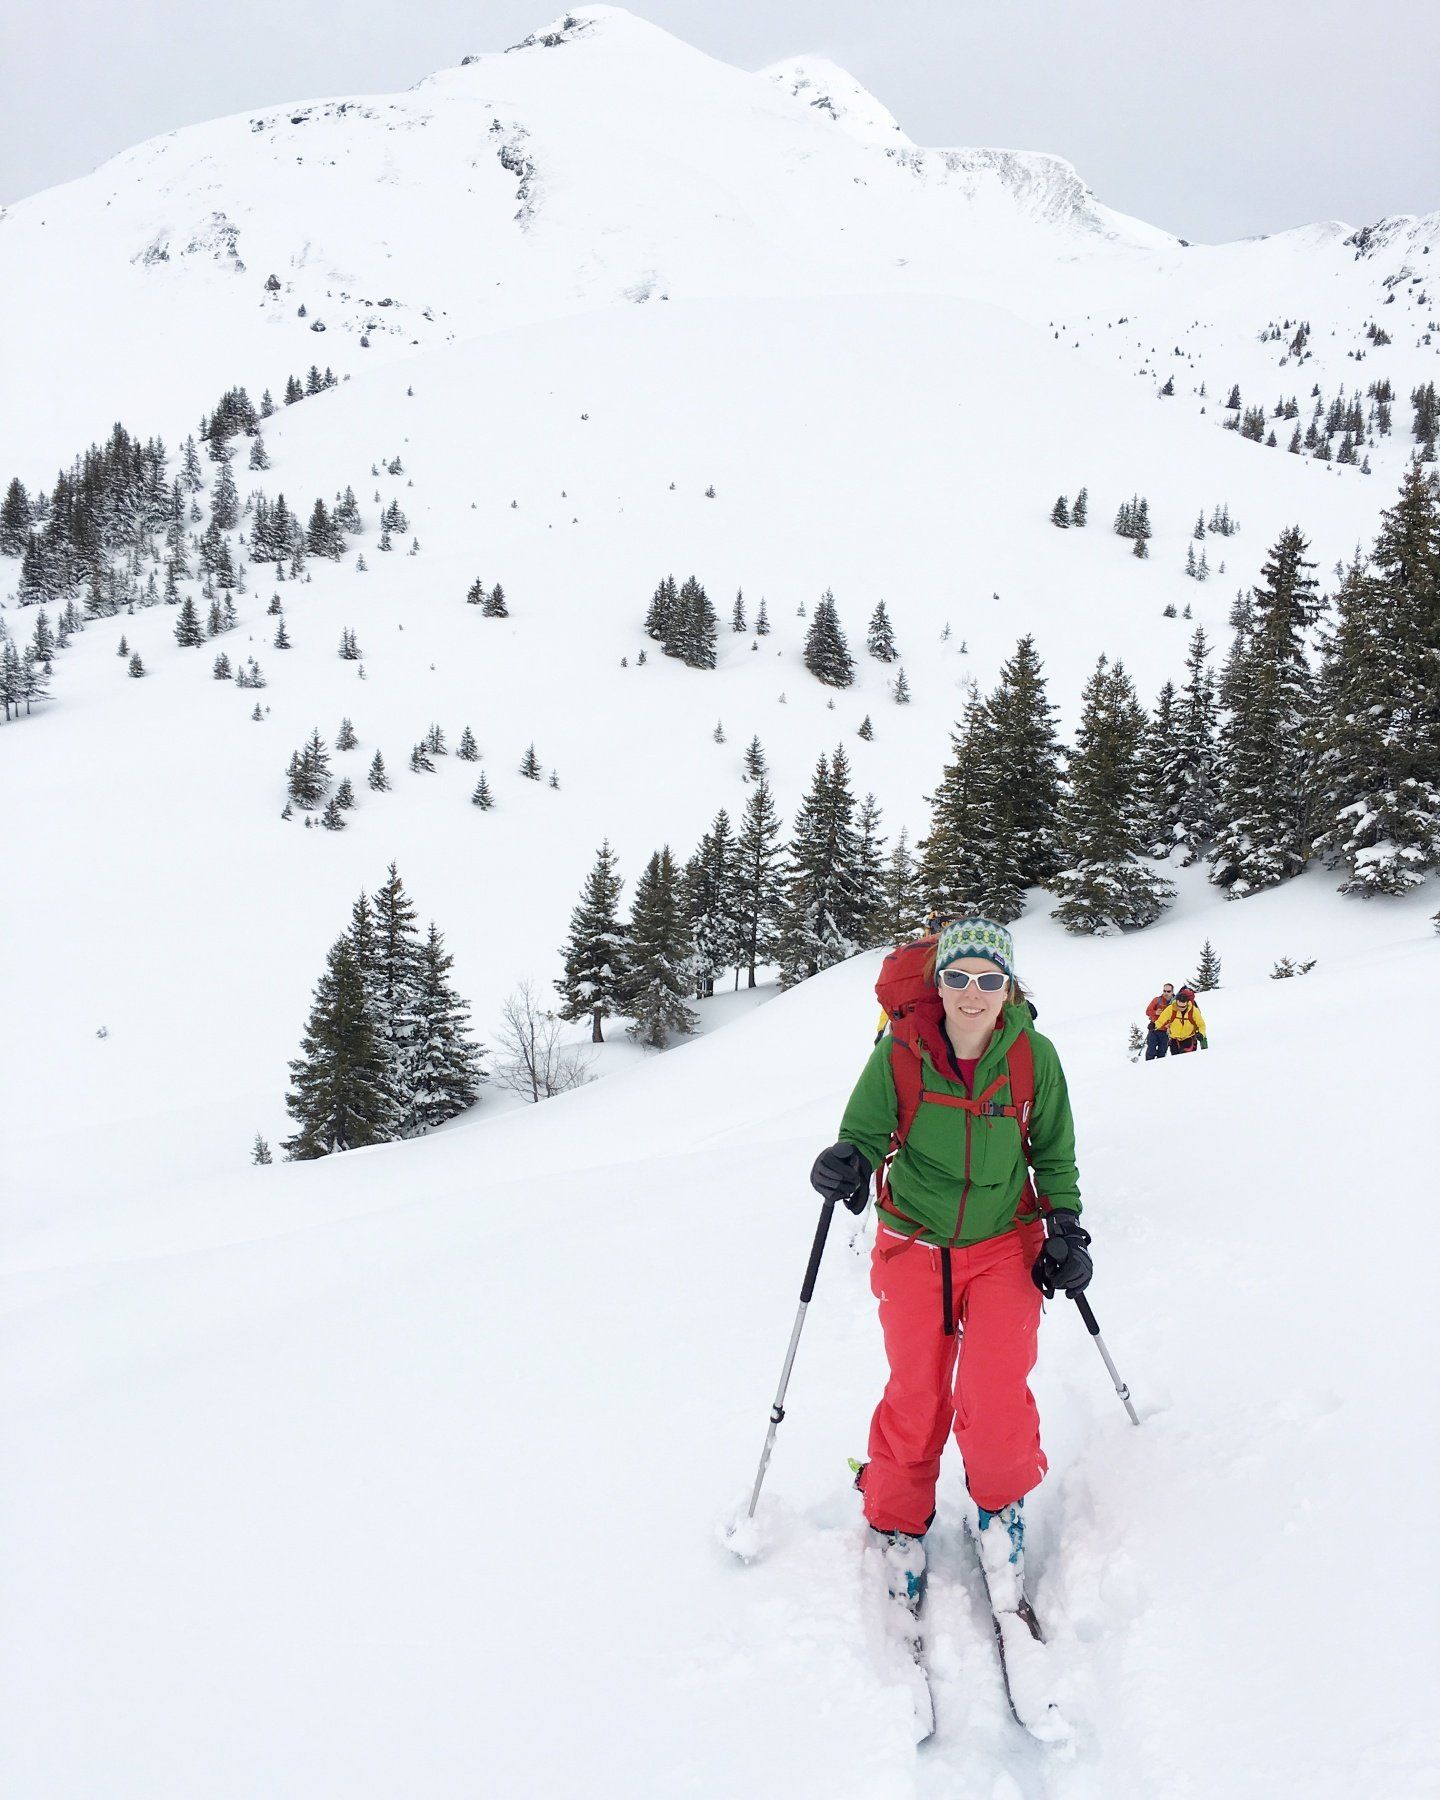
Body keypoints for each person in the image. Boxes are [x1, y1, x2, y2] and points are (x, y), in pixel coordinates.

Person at [808, 917, 1087, 1604]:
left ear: (1009, 987)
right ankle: (899, 1520)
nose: (973, 992)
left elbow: (1052, 1152)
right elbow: (866, 1132)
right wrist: (847, 1162)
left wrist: (1066, 1229)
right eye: (958, 977)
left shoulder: (1032, 1057)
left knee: (995, 1394)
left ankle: (999, 1511)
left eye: (990, 979)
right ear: (939, 982)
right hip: (916, 1243)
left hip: (1003, 1244)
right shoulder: (901, 1052)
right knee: (918, 1392)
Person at [1155, 986, 1207, 1054]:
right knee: (1175, 1061)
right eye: (1178, 1006)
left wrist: (1201, 1034)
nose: (1180, 1008)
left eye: (1183, 1007)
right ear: (1176, 1001)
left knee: (1186, 1060)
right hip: (1174, 1040)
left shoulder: (1194, 1010)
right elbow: (1161, 1021)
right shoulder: (1171, 1008)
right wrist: (1154, 1025)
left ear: (1187, 1003)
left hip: (1189, 1038)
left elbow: (1201, 1025)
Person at [1143, 983, 1175, 1060]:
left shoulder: (1175, 1002)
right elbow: (1147, 1011)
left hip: (1166, 1032)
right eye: (1164, 991)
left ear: (1172, 991)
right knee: (1151, 1051)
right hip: (1154, 1029)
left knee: (1162, 1052)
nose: (1166, 993)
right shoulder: (1157, 1000)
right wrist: (1155, 1012)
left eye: (1168, 991)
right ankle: (1147, 1068)